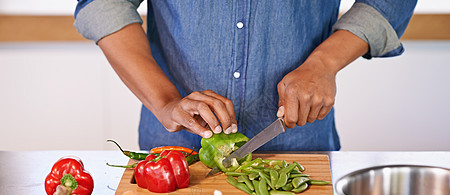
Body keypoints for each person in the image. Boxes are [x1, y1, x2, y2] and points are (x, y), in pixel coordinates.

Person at [74, 1, 417, 151]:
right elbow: (105, 3)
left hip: (299, 151)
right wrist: (165, 102)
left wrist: (324, 63)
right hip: (176, 158)